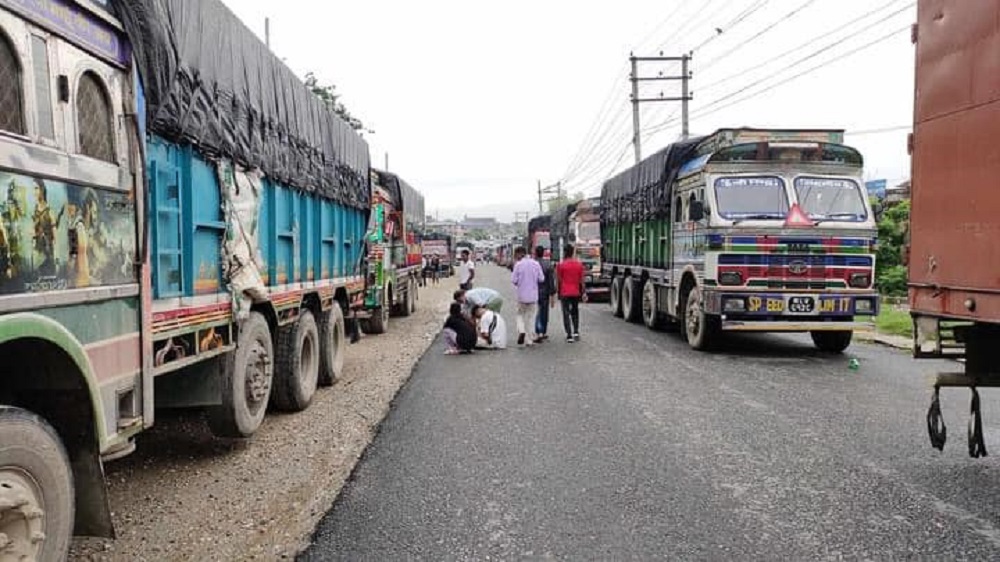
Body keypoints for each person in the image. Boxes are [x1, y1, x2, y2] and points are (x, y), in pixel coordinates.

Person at [510, 245, 544, 346]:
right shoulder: (536, 264)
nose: (515, 257)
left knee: (519, 315)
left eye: (515, 255)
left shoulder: (518, 265)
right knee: (531, 318)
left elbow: (513, 280)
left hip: (522, 296)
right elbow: (541, 278)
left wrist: (520, 282)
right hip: (533, 296)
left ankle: (521, 330)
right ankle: (529, 340)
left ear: (519, 254)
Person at [556, 243, 588, 342]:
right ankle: (576, 331)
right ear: (572, 252)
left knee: (566, 313)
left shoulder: (561, 265)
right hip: (575, 292)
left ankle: (569, 335)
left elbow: (559, 280)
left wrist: (558, 292)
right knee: (575, 311)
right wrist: (584, 292)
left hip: (565, 292)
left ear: (565, 252)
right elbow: (582, 281)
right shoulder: (579, 265)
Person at [533, 245, 556, 342]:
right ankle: (543, 331)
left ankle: (538, 331)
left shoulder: (532, 264)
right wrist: (552, 294)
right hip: (545, 292)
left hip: (533, 291)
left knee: (536, 312)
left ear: (535, 253)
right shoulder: (548, 264)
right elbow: (551, 281)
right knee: (544, 312)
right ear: (543, 253)